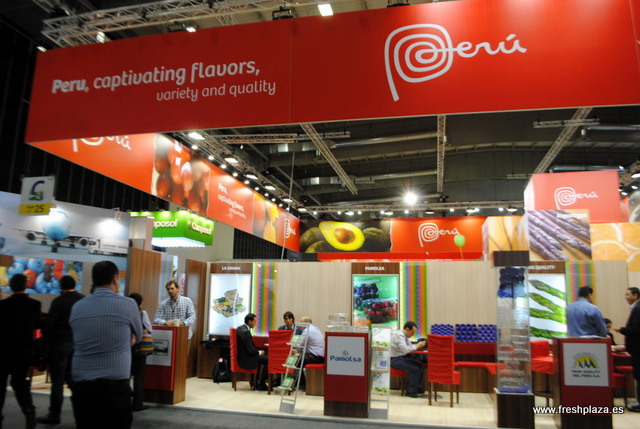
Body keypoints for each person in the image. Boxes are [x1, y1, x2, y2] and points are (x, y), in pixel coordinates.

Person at [69, 261, 142, 429]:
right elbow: (138, 336)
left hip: (81, 386)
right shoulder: (128, 304)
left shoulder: (77, 307)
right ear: (115, 279)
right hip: (115, 387)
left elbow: (75, 337)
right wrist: (128, 337)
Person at [37, 275, 85, 425]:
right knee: (74, 382)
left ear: (61, 286)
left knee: (57, 382)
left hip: (59, 346)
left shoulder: (58, 301)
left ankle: (54, 414)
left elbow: (50, 325)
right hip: (77, 345)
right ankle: (81, 414)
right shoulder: (82, 300)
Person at [0, 274, 41, 429]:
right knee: (20, 384)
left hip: (4, 350)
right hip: (23, 351)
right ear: (26, 285)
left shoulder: (3, 305)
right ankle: (29, 412)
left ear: (11, 286)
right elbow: (37, 324)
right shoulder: (34, 305)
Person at [615, 287, 640, 412]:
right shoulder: (635, 307)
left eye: (627, 294)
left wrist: (622, 330)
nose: (626, 297)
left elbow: (636, 329)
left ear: (635, 295)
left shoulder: (638, 308)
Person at [128, 293, 152, 412]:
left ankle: (126, 400)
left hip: (127, 348)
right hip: (140, 348)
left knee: (127, 375)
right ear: (140, 303)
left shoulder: (125, 313)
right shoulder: (142, 313)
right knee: (139, 376)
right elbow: (149, 328)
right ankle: (137, 404)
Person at [390, 321, 427, 398]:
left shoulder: (405, 336)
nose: (413, 335)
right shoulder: (399, 335)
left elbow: (409, 346)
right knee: (415, 369)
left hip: (400, 357)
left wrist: (419, 345)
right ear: (407, 329)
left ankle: (417, 387)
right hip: (394, 359)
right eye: (412, 332)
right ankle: (410, 391)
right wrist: (417, 346)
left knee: (420, 365)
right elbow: (405, 350)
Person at [236, 313, 268, 390]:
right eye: (254, 321)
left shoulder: (240, 328)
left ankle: (254, 381)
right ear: (249, 321)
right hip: (247, 359)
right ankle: (262, 383)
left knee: (262, 359)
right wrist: (259, 352)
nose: (255, 324)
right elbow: (249, 349)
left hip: (243, 356)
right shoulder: (246, 332)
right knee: (268, 359)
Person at [296, 316, 325, 389]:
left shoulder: (307, 330)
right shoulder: (316, 329)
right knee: (300, 359)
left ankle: (302, 384)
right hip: (320, 357)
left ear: (306, 323)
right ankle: (302, 383)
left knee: (297, 360)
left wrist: (295, 350)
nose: (300, 325)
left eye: (301, 323)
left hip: (315, 357)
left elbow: (300, 345)